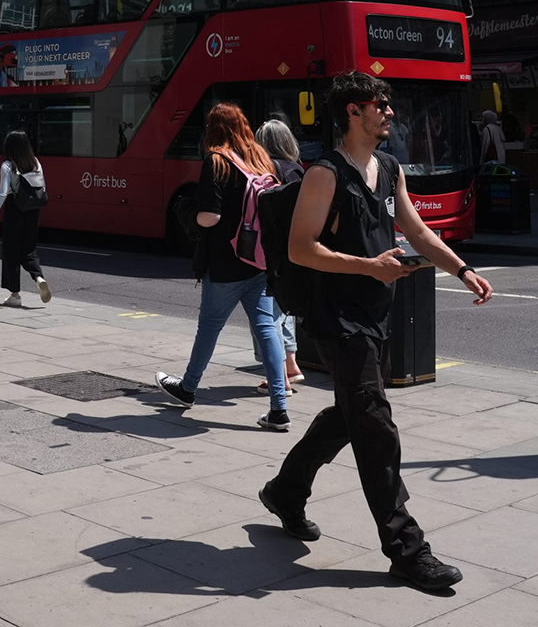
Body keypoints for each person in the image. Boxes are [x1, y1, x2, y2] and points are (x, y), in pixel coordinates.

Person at [258, 72, 494, 592]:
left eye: (388, 103)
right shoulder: (326, 174)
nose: (389, 111)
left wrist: (462, 269)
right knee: (374, 425)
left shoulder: (388, 168)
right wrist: (369, 266)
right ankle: (408, 550)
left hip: (374, 313)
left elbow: (418, 231)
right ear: (353, 112)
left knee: (349, 413)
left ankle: (285, 490)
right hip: (336, 317)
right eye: (379, 103)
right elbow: (300, 248)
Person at [153, 104, 294, 432]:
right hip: (258, 260)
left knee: (209, 328)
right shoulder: (260, 157)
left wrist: (188, 212)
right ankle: (279, 408)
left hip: (225, 264)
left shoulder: (216, 161)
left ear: (213, 129)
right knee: (267, 329)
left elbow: (210, 217)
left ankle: (188, 388)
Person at [253, 119, 306, 391]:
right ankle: (291, 365)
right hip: (293, 250)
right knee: (283, 309)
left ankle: (279, 378)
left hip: (269, 251)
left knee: (266, 315)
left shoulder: (268, 171)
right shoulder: (297, 169)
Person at [0, 130, 53, 307]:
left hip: (15, 208)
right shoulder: (36, 162)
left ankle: (15, 295)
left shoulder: (8, 165)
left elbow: (3, 192)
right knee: (29, 249)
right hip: (34, 209)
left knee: (11, 251)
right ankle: (38, 277)